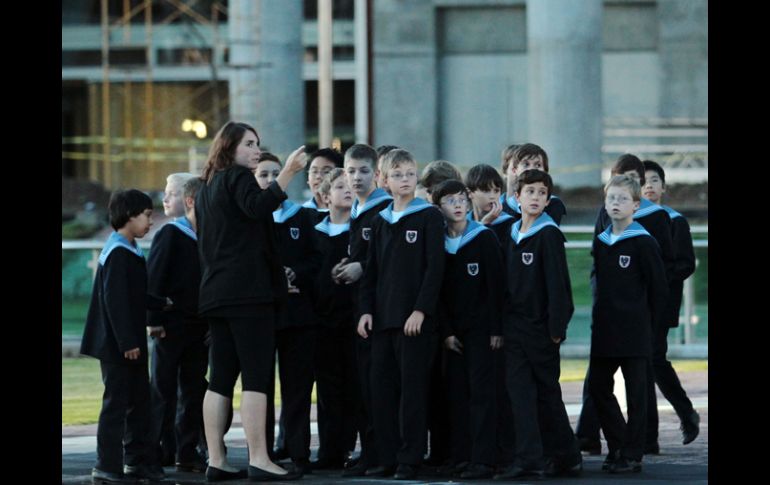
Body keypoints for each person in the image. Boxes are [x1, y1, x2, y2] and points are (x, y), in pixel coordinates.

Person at [195, 121, 306, 482]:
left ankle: (216, 460)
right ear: (229, 147)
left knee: (220, 378)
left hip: (217, 293)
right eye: (249, 144)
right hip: (247, 294)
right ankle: (260, 458)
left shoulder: (207, 186)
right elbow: (259, 206)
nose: (256, 150)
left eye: (258, 144)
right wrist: (289, 172)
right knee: (257, 376)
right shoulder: (238, 176)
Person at [576, 153, 675, 455]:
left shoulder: (644, 241)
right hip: (605, 329)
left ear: (636, 205)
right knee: (598, 388)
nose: (616, 203)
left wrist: (650, 325)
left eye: (623, 199)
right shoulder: (602, 241)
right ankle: (619, 444)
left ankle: (632, 454)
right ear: (605, 204)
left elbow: (659, 289)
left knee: (636, 395)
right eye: (611, 198)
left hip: (635, 330)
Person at [358, 148, 446, 480]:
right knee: (381, 390)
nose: (405, 180)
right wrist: (366, 311)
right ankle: (387, 456)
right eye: (397, 175)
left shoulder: (429, 217)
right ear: (384, 180)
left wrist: (421, 310)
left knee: (412, 392)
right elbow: (371, 272)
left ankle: (411, 457)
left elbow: (435, 268)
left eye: (410, 174)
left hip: (414, 322)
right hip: (383, 320)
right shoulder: (380, 221)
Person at [495, 170, 582, 480]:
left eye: (541, 193)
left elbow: (559, 288)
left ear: (547, 200)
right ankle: (529, 458)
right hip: (514, 329)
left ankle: (567, 455)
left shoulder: (548, 234)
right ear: (516, 197)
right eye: (529, 191)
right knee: (520, 395)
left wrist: (556, 329)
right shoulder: (510, 233)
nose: (535, 197)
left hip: (541, 331)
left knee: (547, 395)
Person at [80, 189, 166, 483]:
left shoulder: (129, 248)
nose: (150, 222)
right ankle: (107, 465)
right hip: (117, 345)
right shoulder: (117, 252)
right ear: (129, 216)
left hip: (129, 343)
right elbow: (115, 301)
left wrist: (164, 303)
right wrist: (128, 342)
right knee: (116, 405)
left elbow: (136, 294)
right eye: (147, 215)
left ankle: (135, 461)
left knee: (139, 403)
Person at [253, 152, 322, 476]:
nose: (270, 180)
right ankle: (263, 452)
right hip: (263, 315)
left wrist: (296, 273)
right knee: (260, 388)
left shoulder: (302, 217)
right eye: (263, 175)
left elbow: (316, 260)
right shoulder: (250, 219)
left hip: (299, 315)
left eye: (275, 173)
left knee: (297, 387)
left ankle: (297, 451)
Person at [431, 180, 503, 480]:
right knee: (456, 395)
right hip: (453, 334)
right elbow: (436, 291)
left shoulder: (483, 237)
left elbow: (496, 287)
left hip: (482, 331)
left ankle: (484, 459)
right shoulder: (438, 242)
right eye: (450, 201)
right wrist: (446, 332)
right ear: (438, 208)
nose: (458, 205)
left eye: (461, 199)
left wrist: (496, 328)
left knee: (482, 395)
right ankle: (460, 456)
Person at [333, 143, 392, 477]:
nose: (356, 178)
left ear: (377, 174)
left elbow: (391, 262)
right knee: (362, 386)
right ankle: (369, 452)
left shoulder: (384, 210)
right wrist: (346, 266)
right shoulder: (358, 209)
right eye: (350, 171)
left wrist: (362, 268)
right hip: (359, 308)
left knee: (378, 386)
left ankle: (383, 454)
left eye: (364, 171)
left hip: (379, 311)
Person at [146, 173, 209, 473]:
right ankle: (157, 449)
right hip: (170, 326)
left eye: (171, 193)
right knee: (163, 388)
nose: (165, 199)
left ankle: (186, 450)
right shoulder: (170, 233)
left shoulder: (207, 235)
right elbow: (154, 277)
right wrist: (153, 319)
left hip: (198, 326)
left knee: (194, 389)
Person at [642, 160, 700, 446]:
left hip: (662, 303)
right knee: (643, 364)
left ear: (663, 187)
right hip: (634, 304)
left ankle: (686, 412)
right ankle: (649, 435)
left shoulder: (675, 220)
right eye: (643, 181)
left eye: (654, 181)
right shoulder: (631, 218)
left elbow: (686, 263)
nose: (649, 186)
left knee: (653, 359)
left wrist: (658, 280)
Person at [312, 168, 360, 471]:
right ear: (325, 196)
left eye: (349, 185)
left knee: (355, 385)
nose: (347, 190)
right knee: (328, 389)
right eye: (340, 186)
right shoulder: (314, 232)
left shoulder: (360, 230)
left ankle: (349, 448)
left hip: (353, 319)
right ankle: (329, 451)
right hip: (322, 320)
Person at [499, 143, 567, 224]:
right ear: (514, 170)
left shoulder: (553, 204)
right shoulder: (500, 208)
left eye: (538, 165)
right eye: (526, 164)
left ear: (545, 171)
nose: (531, 169)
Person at [303, 148, 343, 222]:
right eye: (314, 171)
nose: (318, 176)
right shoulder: (301, 213)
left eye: (326, 172)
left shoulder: (350, 212)